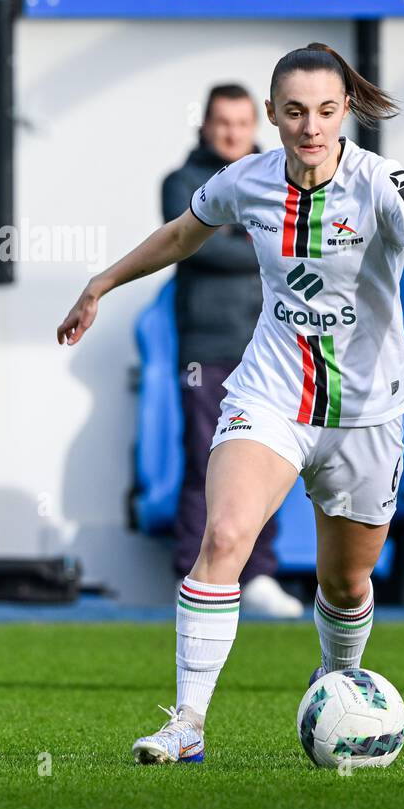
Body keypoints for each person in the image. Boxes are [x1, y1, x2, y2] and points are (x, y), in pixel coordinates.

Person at [56, 42, 404, 764]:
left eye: (323, 110)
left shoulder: (383, 183)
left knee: (344, 583)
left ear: (345, 110)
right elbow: (183, 234)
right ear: (272, 115)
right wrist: (103, 280)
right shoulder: (246, 180)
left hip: (367, 417)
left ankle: (340, 684)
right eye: (293, 112)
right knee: (223, 539)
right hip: (271, 395)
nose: (309, 127)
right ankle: (186, 722)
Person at [162, 84, 300, 618]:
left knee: (265, 463)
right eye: (222, 122)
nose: (232, 132)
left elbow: (287, 242)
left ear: (254, 126)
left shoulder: (271, 175)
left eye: (242, 123)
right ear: (205, 126)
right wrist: (265, 237)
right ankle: (193, 574)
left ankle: (258, 574)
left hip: (269, 350)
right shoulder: (182, 181)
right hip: (208, 349)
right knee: (207, 460)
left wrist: (250, 233)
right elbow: (202, 246)